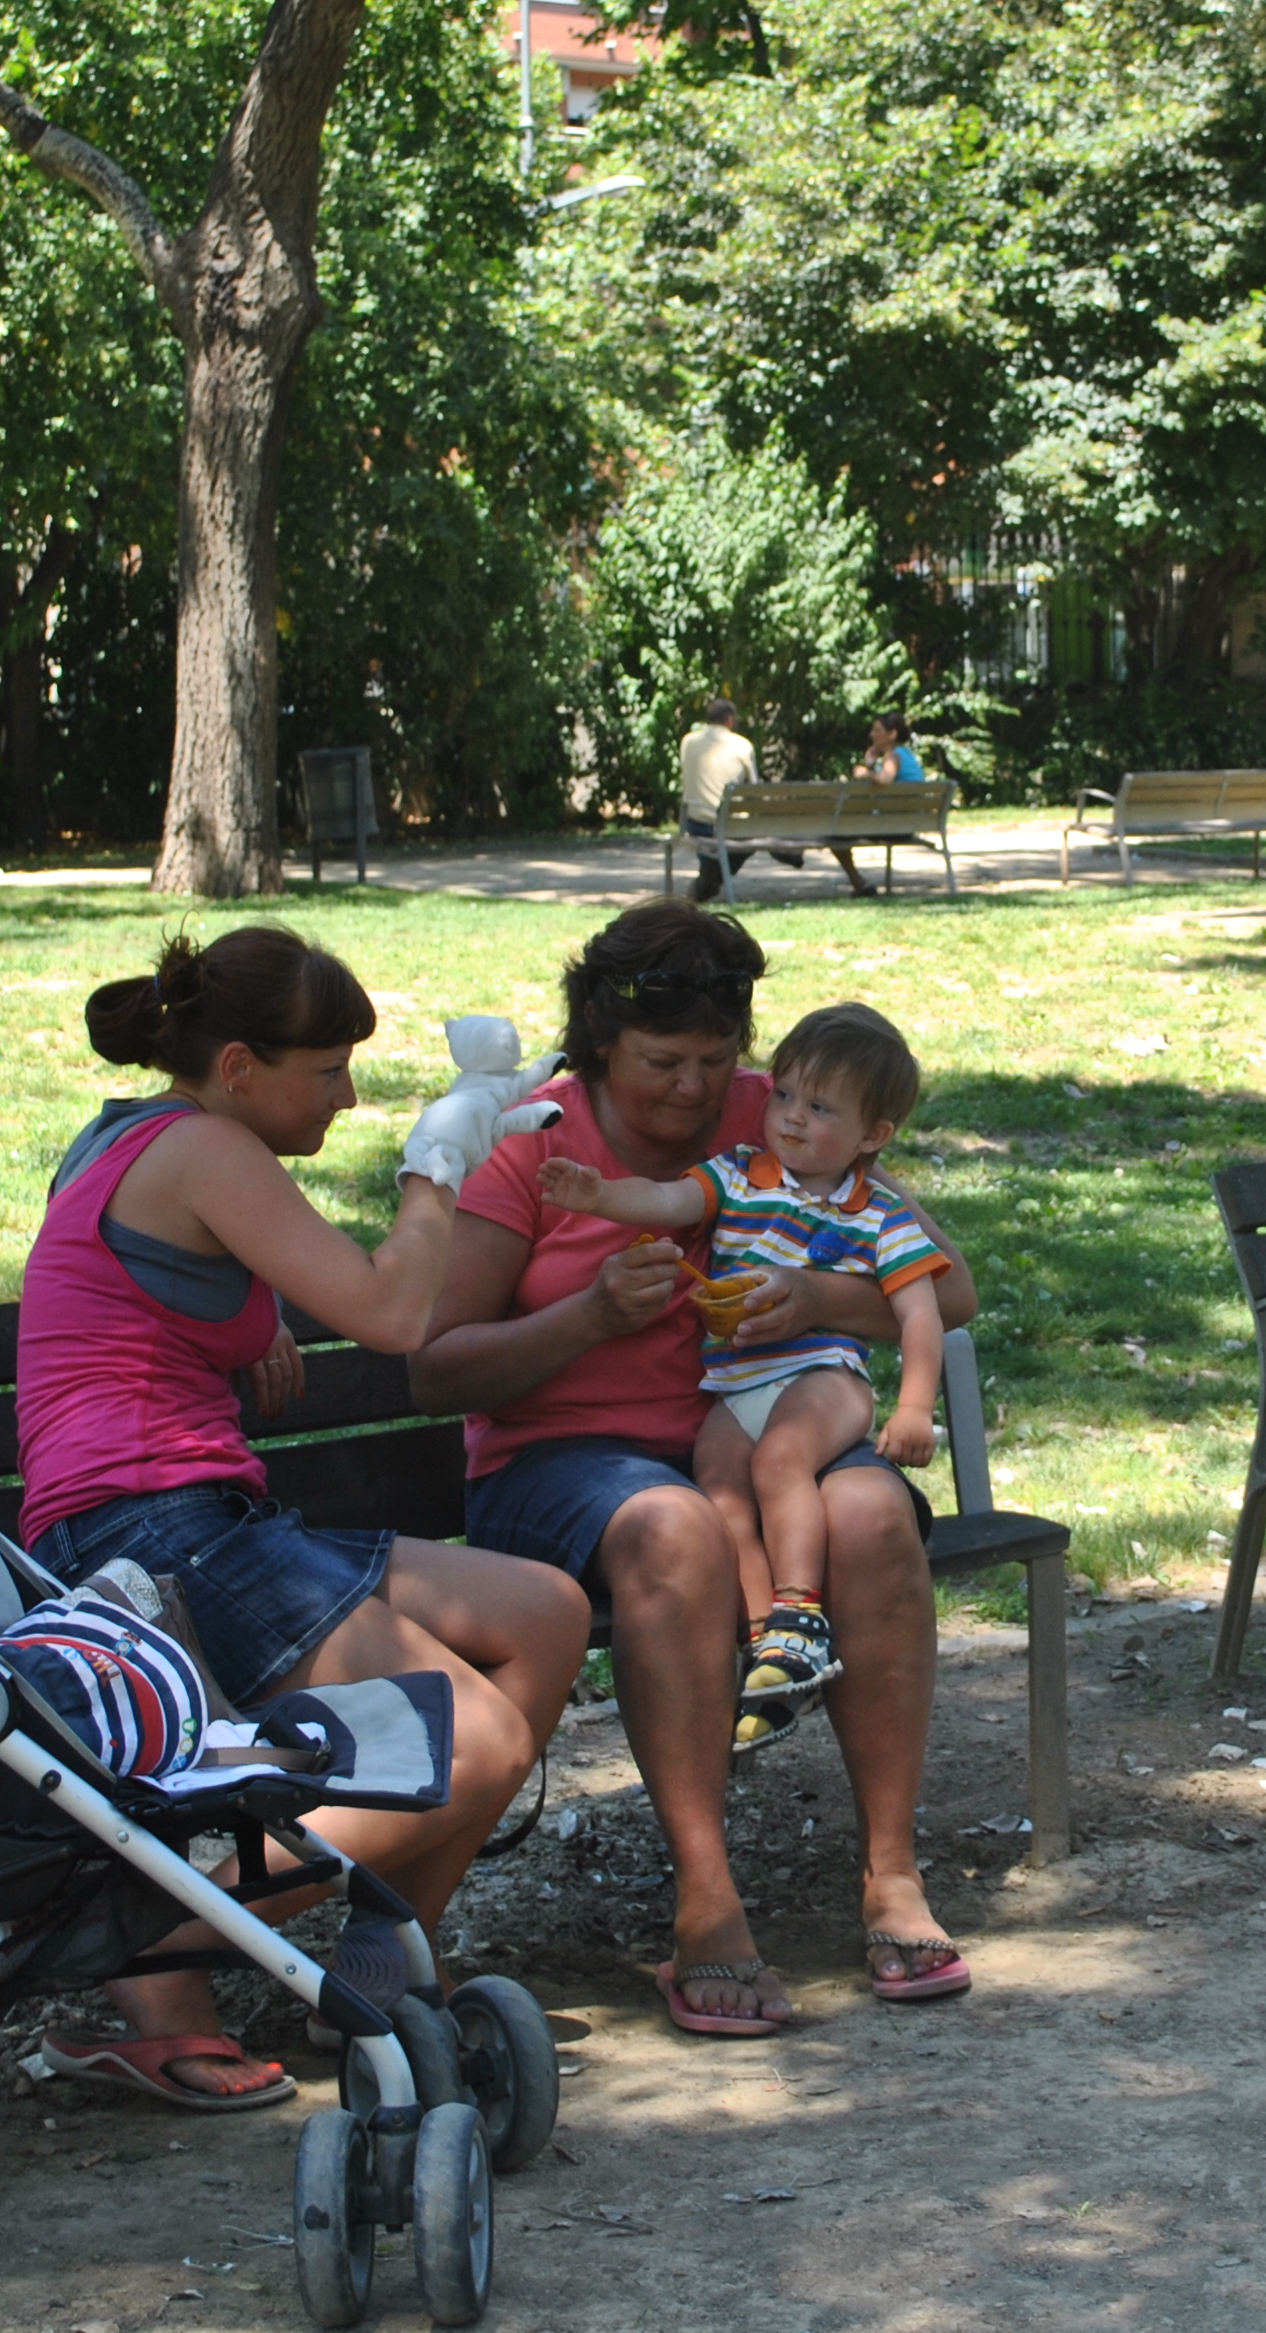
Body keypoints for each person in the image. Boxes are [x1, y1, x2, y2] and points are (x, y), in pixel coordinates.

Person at [17, 926, 590, 2111]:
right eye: (325, 1071)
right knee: (472, 1739)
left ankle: (380, 1952)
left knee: (542, 1611)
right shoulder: (207, 1149)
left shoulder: (140, 1137)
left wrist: (244, 1322)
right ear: (237, 1068)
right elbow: (392, 1316)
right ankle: (149, 1937)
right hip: (147, 1535)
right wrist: (437, 1166)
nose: (347, 1096)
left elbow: (123, 1287)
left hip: (179, 1513)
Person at [412, 899, 980, 2037]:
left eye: (715, 1060)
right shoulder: (532, 1140)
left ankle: (890, 1871)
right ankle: (707, 1898)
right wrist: (585, 1317)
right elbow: (435, 1368)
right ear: (598, 1041)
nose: (694, 1089)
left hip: (760, 1431)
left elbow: (947, 1289)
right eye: (660, 1062)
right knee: (673, 1526)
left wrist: (816, 1298)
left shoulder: (783, 1112)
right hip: (563, 1465)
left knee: (871, 1511)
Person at [535, 1002, 947, 1749]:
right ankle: (770, 1644)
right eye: (783, 1095)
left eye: (819, 1108)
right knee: (719, 1485)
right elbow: (666, 1199)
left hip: (824, 1376)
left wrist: (914, 1406)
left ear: (873, 1135)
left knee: (780, 1461)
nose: (790, 1117)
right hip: (738, 1386)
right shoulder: (738, 1175)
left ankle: (798, 1611)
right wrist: (600, 1197)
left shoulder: (880, 1214)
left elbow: (923, 1314)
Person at [677, 694, 794, 901]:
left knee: (724, 848)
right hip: (731, 827)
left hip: (695, 823)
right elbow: (754, 790)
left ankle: (709, 880)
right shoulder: (742, 745)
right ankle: (713, 879)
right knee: (749, 836)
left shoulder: (688, 741)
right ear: (730, 720)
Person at [830, 712, 924, 897]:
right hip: (907, 823)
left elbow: (884, 779)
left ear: (892, 734)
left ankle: (859, 883)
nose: (872, 734)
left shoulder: (893, 756)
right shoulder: (906, 755)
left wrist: (865, 772)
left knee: (836, 829)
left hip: (892, 826)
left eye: (877, 730)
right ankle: (858, 883)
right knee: (839, 828)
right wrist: (871, 766)